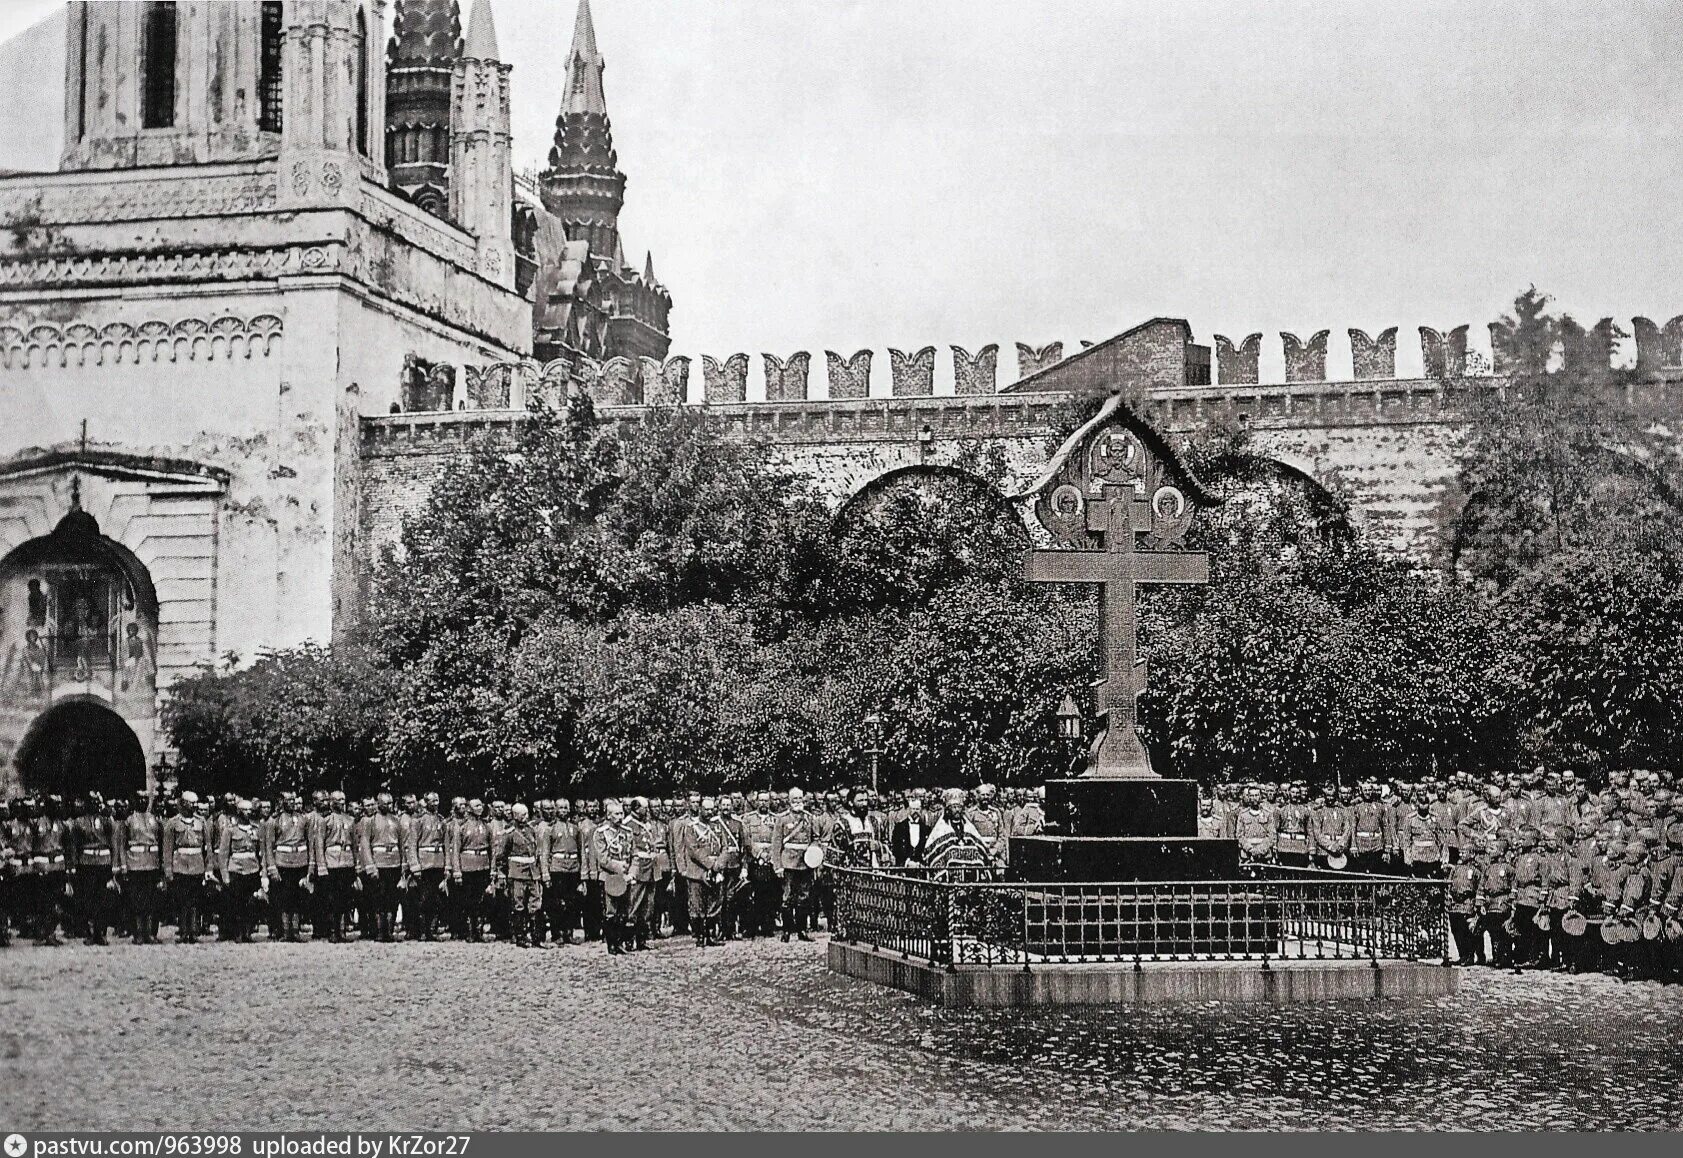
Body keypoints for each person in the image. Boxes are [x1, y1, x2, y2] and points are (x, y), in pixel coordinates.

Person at [492, 803, 549, 949]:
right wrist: (501, 873)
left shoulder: (532, 830)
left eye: (526, 814)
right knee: (518, 905)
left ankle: (537, 937)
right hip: (516, 873)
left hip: (532, 872)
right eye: (522, 815)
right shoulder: (509, 833)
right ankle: (520, 937)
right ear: (515, 816)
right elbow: (501, 856)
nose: (525, 817)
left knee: (536, 904)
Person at [676, 796, 727, 947]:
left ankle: (711, 935)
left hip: (716, 870)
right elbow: (693, 850)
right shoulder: (692, 827)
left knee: (714, 904)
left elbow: (725, 847)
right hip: (697, 871)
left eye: (712, 809)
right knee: (697, 906)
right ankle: (699, 936)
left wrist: (718, 865)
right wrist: (711, 864)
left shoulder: (718, 826)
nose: (709, 812)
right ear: (700, 809)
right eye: (707, 809)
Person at [264, 791, 312, 942]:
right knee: (284, 899)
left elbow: (310, 842)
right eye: (288, 800)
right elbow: (269, 846)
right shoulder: (274, 821)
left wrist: (310, 867)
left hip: (300, 862)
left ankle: (296, 931)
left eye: (293, 800)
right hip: (282, 863)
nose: (291, 803)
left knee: (298, 898)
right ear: (282, 802)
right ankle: (285, 932)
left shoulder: (303, 818)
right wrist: (272, 868)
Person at [116, 792, 164, 944]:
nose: (143, 801)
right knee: (136, 901)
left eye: (146, 799)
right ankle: (137, 933)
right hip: (134, 864)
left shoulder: (155, 820)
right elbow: (122, 845)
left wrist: (162, 866)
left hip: (152, 864)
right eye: (140, 799)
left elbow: (161, 844)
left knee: (152, 900)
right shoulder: (129, 821)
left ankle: (150, 933)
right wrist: (123, 866)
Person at [215, 798, 265, 942]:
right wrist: (225, 875)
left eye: (250, 810)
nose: (248, 813)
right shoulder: (230, 830)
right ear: (238, 812)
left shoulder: (256, 829)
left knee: (251, 903)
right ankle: (237, 932)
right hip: (236, 869)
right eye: (245, 810)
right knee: (236, 903)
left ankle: (247, 932)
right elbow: (223, 854)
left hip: (252, 869)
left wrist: (262, 871)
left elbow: (260, 852)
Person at [771, 787, 818, 942]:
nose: (798, 802)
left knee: (804, 897)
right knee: (787, 898)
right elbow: (776, 844)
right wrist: (777, 866)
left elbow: (815, 838)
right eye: (794, 799)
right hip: (788, 863)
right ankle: (786, 931)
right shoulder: (782, 819)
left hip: (805, 863)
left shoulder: (810, 818)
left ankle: (802, 931)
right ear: (789, 801)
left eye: (800, 799)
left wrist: (814, 854)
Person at [161, 791, 208, 943]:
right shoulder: (173, 823)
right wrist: (168, 870)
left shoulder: (201, 822)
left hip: (197, 865)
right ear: (183, 803)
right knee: (182, 900)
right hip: (180, 865)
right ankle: (183, 931)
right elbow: (167, 848)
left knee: (195, 900)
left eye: (195, 803)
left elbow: (207, 847)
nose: (193, 806)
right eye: (190, 803)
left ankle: (194, 931)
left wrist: (208, 868)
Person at [69, 794, 116, 944]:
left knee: (103, 900)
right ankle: (89, 933)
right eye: (92, 803)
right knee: (88, 899)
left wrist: (113, 867)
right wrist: (74, 866)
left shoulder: (107, 821)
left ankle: (100, 932)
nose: (95, 805)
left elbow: (112, 843)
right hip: (86, 864)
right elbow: (74, 846)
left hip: (103, 863)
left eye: (97, 803)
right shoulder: (78, 823)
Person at [538, 798, 584, 947]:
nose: (564, 811)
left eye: (566, 808)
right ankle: (557, 933)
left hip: (573, 868)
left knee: (572, 902)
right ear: (555, 810)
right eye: (561, 808)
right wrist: (545, 874)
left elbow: (581, 851)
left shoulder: (576, 829)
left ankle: (568, 932)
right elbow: (545, 853)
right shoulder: (549, 829)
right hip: (557, 869)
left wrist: (582, 874)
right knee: (556, 903)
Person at [403, 792, 449, 941]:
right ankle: (422, 931)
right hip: (424, 864)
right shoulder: (418, 821)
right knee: (423, 899)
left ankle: (431, 930)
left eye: (437, 800)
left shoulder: (442, 820)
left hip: (438, 863)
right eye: (432, 801)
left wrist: (446, 866)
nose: (435, 803)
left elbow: (446, 844)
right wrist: (414, 866)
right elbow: (412, 844)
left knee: (436, 899)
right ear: (426, 802)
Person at [359, 793, 404, 942]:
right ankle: (379, 932)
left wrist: (403, 866)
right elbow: (365, 845)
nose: (389, 806)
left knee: (392, 899)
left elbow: (402, 844)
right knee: (378, 900)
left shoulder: (396, 821)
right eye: (385, 803)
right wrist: (370, 866)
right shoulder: (370, 821)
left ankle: (389, 932)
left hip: (394, 863)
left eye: (391, 803)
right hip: (379, 864)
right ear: (379, 804)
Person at [448, 798, 493, 942]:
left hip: (483, 866)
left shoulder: (487, 826)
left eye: (481, 805)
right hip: (468, 867)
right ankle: (469, 932)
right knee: (468, 900)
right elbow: (455, 850)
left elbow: (493, 850)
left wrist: (493, 869)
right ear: (469, 808)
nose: (480, 808)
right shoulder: (461, 826)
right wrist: (457, 871)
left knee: (481, 900)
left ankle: (478, 931)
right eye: (476, 806)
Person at [594, 798, 634, 955]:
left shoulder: (627, 832)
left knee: (624, 910)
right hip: (610, 876)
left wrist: (631, 871)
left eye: (622, 813)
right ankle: (611, 944)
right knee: (611, 911)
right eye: (617, 814)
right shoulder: (601, 833)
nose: (620, 816)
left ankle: (620, 942)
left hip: (626, 876)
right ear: (609, 815)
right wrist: (620, 868)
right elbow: (602, 858)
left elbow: (633, 854)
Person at [742, 792, 779, 937]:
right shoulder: (748, 819)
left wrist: (769, 854)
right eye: (760, 800)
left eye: (766, 800)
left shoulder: (776, 819)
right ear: (756, 802)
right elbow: (746, 839)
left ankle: (767, 926)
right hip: (754, 860)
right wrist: (758, 853)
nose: (763, 803)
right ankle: (751, 926)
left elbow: (778, 839)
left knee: (769, 894)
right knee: (752, 895)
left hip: (769, 860)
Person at [624, 797, 659, 950]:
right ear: (637, 808)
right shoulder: (627, 824)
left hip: (650, 869)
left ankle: (642, 940)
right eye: (645, 808)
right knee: (634, 905)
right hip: (638, 869)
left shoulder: (646, 824)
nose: (647, 811)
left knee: (647, 906)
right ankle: (629, 940)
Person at [1235, 785, 1276, 868]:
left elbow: (1272, 835)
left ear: (1260, 796)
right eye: (1252, 795)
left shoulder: (1268, 814)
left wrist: (1261, 849)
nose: (1254, 798)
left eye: (1256, 795)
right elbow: (1239, 835)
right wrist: (1250, 849)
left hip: (1264, 854)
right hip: (1247, 855)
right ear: (1248, 797)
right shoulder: (1243, 814)